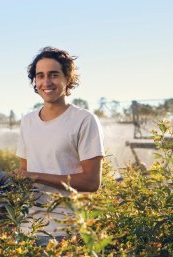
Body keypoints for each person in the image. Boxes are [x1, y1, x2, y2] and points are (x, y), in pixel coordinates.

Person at [14, 47, 105, 244]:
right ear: (34, 81)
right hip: (27, 228)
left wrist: (36, 176)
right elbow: (25, 174)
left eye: (54, 75)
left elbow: (91, 182)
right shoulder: (27, 121)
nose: (46, 82)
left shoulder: (84, 120)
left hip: (65, 230)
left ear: (67, 79)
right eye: (40, 76)